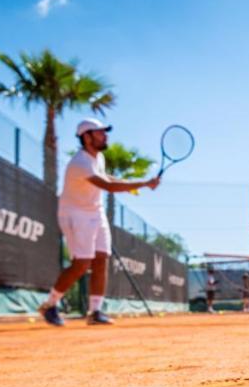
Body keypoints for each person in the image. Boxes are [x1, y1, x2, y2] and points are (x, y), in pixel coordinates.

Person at [38, 118, 159, 326]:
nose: (105, 136)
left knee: (102, 258)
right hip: (75, 214)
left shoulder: (98, 157)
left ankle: (95, 312)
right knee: (82, 263)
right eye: (100, 132)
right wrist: (143, 183)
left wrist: (131, 185)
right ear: (86, 137)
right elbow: (106, 186)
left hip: (96, 212)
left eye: (105, 132)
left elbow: (106, 177)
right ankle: (50, 304)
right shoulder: (80, 162)